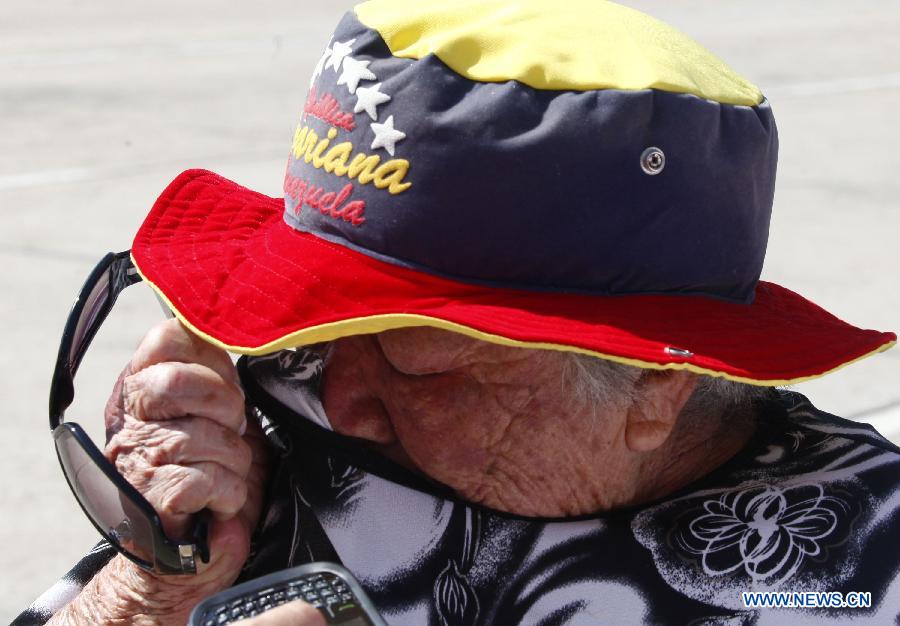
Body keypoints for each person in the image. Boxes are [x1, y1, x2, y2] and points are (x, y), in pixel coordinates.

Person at [14, 0, 900, 624]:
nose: (336, 397)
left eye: (415, 361)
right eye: (312, 331)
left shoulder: (853, 573)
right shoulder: (283, 431)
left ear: (653, 380)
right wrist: (148, 590)